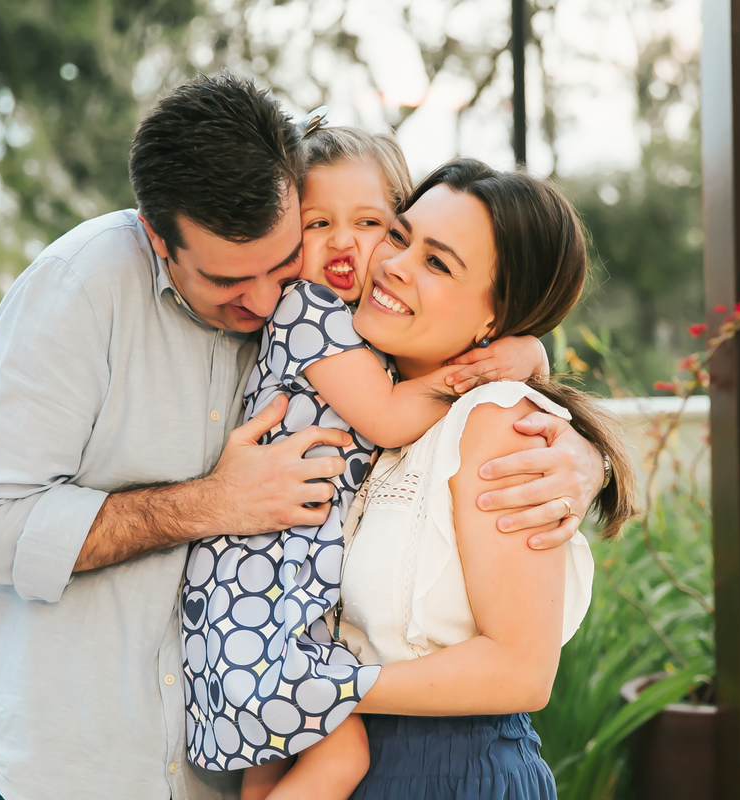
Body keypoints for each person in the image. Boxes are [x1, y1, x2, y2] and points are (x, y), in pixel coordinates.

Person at [0, 74, 604, 800]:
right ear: (158, 236)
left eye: (281, 262)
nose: (263, 302)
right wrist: (209, 504)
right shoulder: (84, 288)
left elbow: (466, 356)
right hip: (86, 768)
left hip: (245, 763)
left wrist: (561, 415)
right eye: (228, 279)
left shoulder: (361, 329)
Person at [180, 125, 551, 799]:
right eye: (318, 224)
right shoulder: (316, 317)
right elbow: (385, 414)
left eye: (373, 224)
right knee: (319, 759)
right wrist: (485, 368)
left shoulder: (481, 413)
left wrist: (524, 362)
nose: (354, 247)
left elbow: (524, 670)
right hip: (270, 588)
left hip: (440, 755)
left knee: (282, 772)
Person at [263, 159, 639, 800]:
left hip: (451, 772)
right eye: (400, 236)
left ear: (495, 318)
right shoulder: (365, 401)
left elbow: (521, 671)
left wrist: (312, 690)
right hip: (347, 764)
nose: (393, 265)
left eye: (437, 263)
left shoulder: (496, 423)